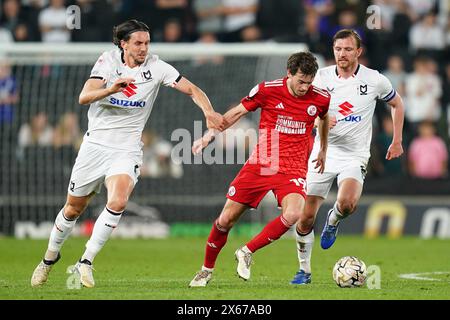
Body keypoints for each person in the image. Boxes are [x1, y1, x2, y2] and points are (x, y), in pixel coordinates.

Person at [31, 19, 224, 288]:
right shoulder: (108, 62)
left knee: (119, 201)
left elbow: (193, 89)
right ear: (123, 44)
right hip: (95, 146)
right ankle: (49, 259)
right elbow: (84, 97)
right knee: (73, 208)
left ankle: (85, 261)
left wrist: (208, 112)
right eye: (138, 43)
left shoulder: (157, 67)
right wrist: (111, 88)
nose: (144, 48)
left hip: (127, 148)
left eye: (146, 43)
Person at [189, 51, 330, 287]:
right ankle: (206, 270)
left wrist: (323, 148)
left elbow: (323, 118)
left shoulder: (321, 98)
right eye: (300, 81)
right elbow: (235, 114)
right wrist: (209, 135)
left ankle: (246, 251)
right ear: (289, 73)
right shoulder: (267, 90)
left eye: (309, 82)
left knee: (294, 213)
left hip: (293, 166)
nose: (305, 87)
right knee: (226, 220)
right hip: (264, 160)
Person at [291, 29, 404, 285]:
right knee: (306, 216)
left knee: (348, 203)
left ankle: (333, 219)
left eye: (348, 49)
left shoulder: (375, 80)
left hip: (355, 155)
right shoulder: (320, 78)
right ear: (333, 50)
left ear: (358, 52)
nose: (342, 54)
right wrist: (317, 121)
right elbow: (301, 110)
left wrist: (397, 139)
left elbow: (397, 103)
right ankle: (304, 271)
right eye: (338, 49)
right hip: (323, 154)